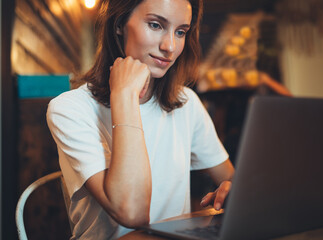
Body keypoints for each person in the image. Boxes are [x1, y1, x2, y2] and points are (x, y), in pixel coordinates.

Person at [46, 0, 234, 239]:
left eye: (180, 32)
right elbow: (133, 214)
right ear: (119, 24)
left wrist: (232, 189)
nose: (170, 46)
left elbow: (230, 178)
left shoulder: (186, 102)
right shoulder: (70, 109)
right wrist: (124, 96)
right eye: (155, 25)